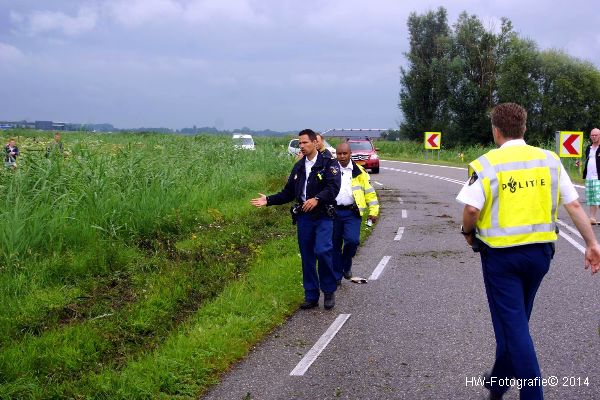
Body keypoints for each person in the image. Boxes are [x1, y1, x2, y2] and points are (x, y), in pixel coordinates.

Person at [456, 103, 600, 400]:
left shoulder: (486, 164)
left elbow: (471, 208)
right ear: (524, 128)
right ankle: (497, 383)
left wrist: (468, 234)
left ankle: (533, 395)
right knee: (516, 321)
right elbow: (573, 204)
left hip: (501, 259)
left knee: (514, 330)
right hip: (539, 256)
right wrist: (592, 243)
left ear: (496, 131)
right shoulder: (548, 160)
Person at [251, 129, 341, 309]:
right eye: (300, 143)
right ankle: (311, 295)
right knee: (307, 256)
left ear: (315, 143)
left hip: (323, 215)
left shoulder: (329, 164)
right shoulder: (299, 166)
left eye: (305, 142)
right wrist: (268, 200)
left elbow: (333, 188)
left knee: (323, 251)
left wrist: (317, 199)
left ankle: (329, 291)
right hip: (304, 217)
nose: (302, 146)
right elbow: (288, 193)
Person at [332, 142, 379, 284]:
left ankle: (346, 266)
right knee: (334, 245)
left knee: (352, 241)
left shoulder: (360, 172)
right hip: (333, 213)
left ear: (350, 154)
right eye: (339, 153)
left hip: (352, 212)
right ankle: (336, 276)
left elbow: (370, 193)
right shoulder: (330, 170)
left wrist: (373, 211)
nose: (341, 156)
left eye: (344, 153)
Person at [582, 128, 600, 224]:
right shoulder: (588, 148)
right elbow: (587, 160)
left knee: (597, 198)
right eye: (592, 135)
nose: (593, 137)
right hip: (589, 177)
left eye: (596, 135)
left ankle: (592, 218)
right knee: (592, 198)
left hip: (598, 177)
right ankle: (592, 218)